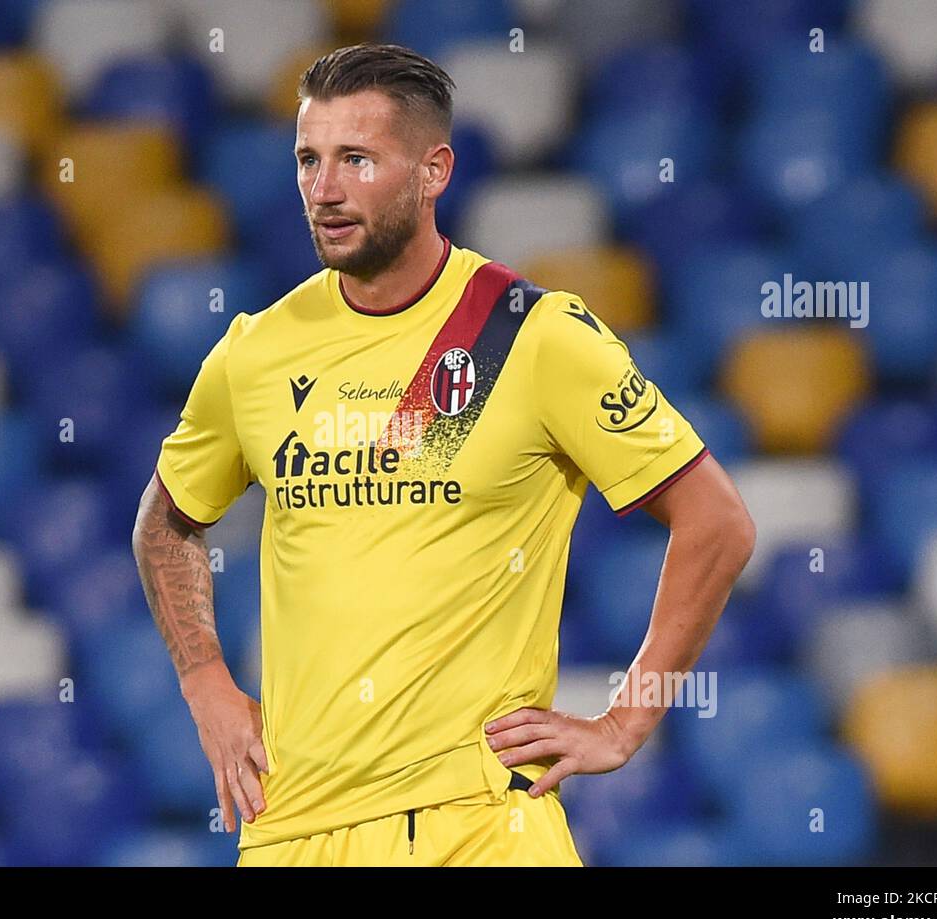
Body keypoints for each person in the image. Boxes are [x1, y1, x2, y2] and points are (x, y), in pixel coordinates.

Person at [131, 43, 756, 866]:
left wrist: (627, 718)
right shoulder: (257, 351)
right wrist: (205, 682)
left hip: (479, 823)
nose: (324, 189)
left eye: (356, 159)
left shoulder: (532, 335)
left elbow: (717, 522)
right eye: (308, 161)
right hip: (294, 829)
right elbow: (165, 524)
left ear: (434, 171)